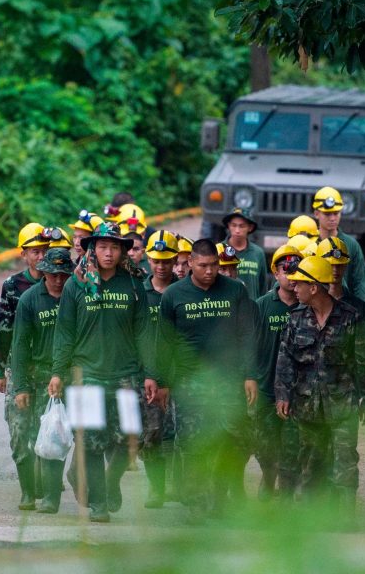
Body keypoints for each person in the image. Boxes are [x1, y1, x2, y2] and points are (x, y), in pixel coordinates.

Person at [50, 222, 157, 522]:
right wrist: (58, 372)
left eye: (114, 247)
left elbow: (144, 331)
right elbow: (64, 332)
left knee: (129, 437)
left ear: (122, 250)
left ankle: (111, 483)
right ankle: (98, 502)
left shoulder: (134, 284)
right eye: (102, 247)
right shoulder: (76, 284)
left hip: (126, 375)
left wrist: (151, 373)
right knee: (92, 441)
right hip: (87, 376)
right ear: (92, 249)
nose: (108, 253)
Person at [274, 256, 365, 516]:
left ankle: (345, 520)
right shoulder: (296, 318)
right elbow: (285, 359)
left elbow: (364, 362)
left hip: (342, 407)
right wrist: (282, 394)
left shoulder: (350, 318)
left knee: (344, 464)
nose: (294, 286)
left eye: (299, 283)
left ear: (314, 287)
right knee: (310, 464)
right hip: (306, 406)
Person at [157, 239, 256, 521]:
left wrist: (250, 375)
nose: (210, 271)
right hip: (190, 382)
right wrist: (161, 380)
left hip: (228, 379)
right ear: (189, 263)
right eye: (203, 266)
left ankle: (220, 498)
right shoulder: (174, 295)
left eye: (214, 265)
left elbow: (247, 334)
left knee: (230, 440)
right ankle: (196, 502)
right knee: (192, 443)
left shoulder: (235, 290)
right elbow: (164, 340)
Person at [11, 248, 75, 514]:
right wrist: (22, 386)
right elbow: (21, 345)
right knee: (28, 437)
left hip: (71, 377)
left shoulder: (76, 298)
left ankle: (51, 497)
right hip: (38, 378)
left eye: (63, 275)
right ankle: (29, 492)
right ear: (44, 273)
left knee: (56, 435)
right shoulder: (29, 300)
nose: (58, 280)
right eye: (53, 274)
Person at [0, 223, 50, 509]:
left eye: (44, 251)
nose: (40, 257)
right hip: (18, 367)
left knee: (45, 429)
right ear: (24, 254)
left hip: (47, 368)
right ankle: (27, 490)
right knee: (19, 432)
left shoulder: (58, 283)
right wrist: (1, 368)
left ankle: (43, 482)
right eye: (35, 252)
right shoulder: (13, 286)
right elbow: (4, 328)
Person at [251, 245, 304, 501]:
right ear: (275, 273)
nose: (291, 275)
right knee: (264, 444)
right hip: (265, 388)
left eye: (296, 269)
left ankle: (285, 497)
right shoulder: (262, 306)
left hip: (298, 391)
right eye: (286, 269)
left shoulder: (308, 306)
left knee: (292, 447)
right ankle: (268, 477)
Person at [139, 230, 180, 508]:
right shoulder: (138, 293)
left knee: (181, 433)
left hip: (181, 374)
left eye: (166, 261)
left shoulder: (185, 291)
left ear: (176, 259)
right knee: (152, 432)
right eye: (156, 260)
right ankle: (157, 488)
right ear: (148, 259)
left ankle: (181, 485)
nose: (161, 266)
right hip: (149, 376)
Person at [316, 237, 365, 379]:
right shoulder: (309, 305)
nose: (335, 270)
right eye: (330, 265)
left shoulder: (357, 308)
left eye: (339, 265)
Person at [312, 186, 365, 307]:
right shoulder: (310, 245)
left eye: (336, 213)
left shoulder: (351, 245)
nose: (333, 218)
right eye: (327, 214)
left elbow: (360, 284)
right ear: (316, 213)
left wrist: (364, 317)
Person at [222, 207, 268, 300]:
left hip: (251, 309)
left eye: (242, 226)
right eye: (234, 225)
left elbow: (263, 286)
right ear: (228, 226)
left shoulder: (258, 253)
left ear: (250, 228)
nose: (237, 230)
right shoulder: (219, 250)